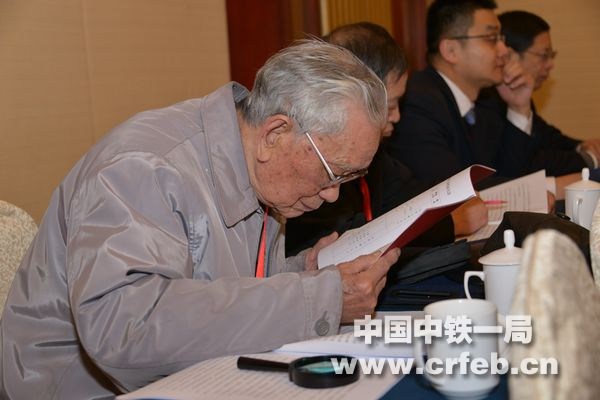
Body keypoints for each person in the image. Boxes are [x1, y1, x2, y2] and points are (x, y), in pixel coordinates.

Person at [0, 40, 400, 399]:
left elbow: (217, 291)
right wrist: (318, 298)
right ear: (275, 134)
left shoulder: (259, 167)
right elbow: (126, 330)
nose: (333, 194)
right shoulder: (144, 168)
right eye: (334, 173)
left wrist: (304, 271)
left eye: (350, 178)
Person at [285, 22, 487, 257]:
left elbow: (406, 194)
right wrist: (450, 224)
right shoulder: (311, 156)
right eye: (390, 106)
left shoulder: (378, 157)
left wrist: (452, 200)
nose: (397, 116)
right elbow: (344, 239)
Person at [388, 0, 583, 199]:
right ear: (451, 50)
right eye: (491, 38)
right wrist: (551, 187)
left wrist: (518, 108)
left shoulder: (484, 101)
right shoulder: (416, 103)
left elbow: (509, 170)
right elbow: (452, 192)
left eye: (501, 38)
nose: (504, 50)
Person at [499, 10, 600, 170]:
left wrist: (581, 145)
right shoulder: (487, 100)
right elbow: (531, 161)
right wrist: (590, 159)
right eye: (544, 55)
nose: (550, 65)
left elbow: (545, 136)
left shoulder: (519, 93)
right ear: (509, 56)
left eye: (551, 55)